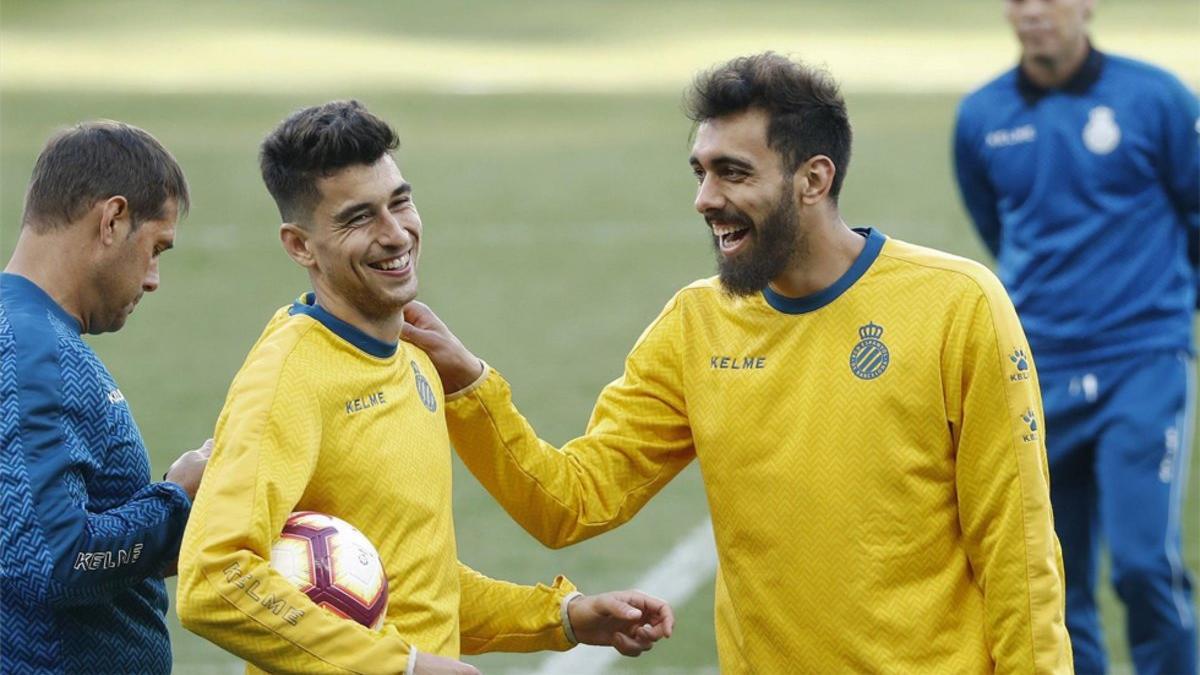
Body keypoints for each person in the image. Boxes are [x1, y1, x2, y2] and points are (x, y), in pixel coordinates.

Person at [402, 52, 1073, 672]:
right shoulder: (697, 324)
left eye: (734, 172)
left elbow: (1017, 552)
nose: (704, 198)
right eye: (701, 171)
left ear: (813, 178)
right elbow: (571, 502)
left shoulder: (957, 305)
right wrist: (469, 383)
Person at [175, 100, 673, 675]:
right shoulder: (287, 378)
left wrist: (561, 615)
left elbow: (411, 578)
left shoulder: (413, 358)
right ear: (299, 245)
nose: (395, 234)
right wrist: (404, 667)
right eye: (358, 218)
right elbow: (215, 579)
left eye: (400, 202)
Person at [953, 1, 1199, 672]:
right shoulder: (980, 117)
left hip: (1142, 358)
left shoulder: (1157, 99)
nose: (1034, 12)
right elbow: (995, 227)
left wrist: (1171, 316)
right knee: (1053, 575)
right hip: (1037, 366)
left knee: (1145, 563)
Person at [0, 121, 211, 674]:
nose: (153, 280)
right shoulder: (35, 352)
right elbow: (56, 559)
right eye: (156, 248)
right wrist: (176, 498)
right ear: (112, 220)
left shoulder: (23, 334)